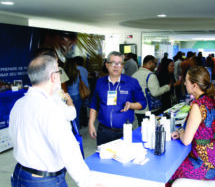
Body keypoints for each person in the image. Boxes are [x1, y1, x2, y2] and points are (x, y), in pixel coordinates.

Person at [9, 55, 104, 187]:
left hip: (20, 174)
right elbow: (68, 150)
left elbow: (14, 135)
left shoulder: (19, 103)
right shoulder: (51, 108)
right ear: (54, 77)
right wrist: (89, 182)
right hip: (44, 180)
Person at [167, 66, 215, 186]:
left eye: (186, 81)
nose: (184, 83)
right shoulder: (211, 100)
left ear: (194, 85)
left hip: (206, 165)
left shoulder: (197, 106)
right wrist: (182, 133)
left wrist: (181, 132)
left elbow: (186, 140)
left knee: (169, 173)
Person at [88, 51, 147, 145]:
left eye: (119, 63)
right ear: (106, 65)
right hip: (104, 131)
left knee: (124, 158)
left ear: (123, 66)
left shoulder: (131, 82)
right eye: (113, 63)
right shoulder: (100, 82)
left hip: (124, 132)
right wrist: (91, 124)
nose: (116, 66)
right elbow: (94, 104)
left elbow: (143, 103)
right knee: (104, 158)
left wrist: (131, 105)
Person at [132, 55, 170, 126]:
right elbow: (155, 92)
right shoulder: (151, 75)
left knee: (140, 130)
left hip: (137, 109)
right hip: (148, 110)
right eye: (155, 63)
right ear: (150, 63)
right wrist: (167, 87)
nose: (156, 66)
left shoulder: (134, 75)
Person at [64, 58, 89, 129]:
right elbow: (79, 83)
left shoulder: (64, 73)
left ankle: (70, 132)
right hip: (77, 96)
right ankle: (76, 133)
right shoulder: (77, 72)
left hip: (67, 96)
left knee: (67, 116)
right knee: (76, 115)